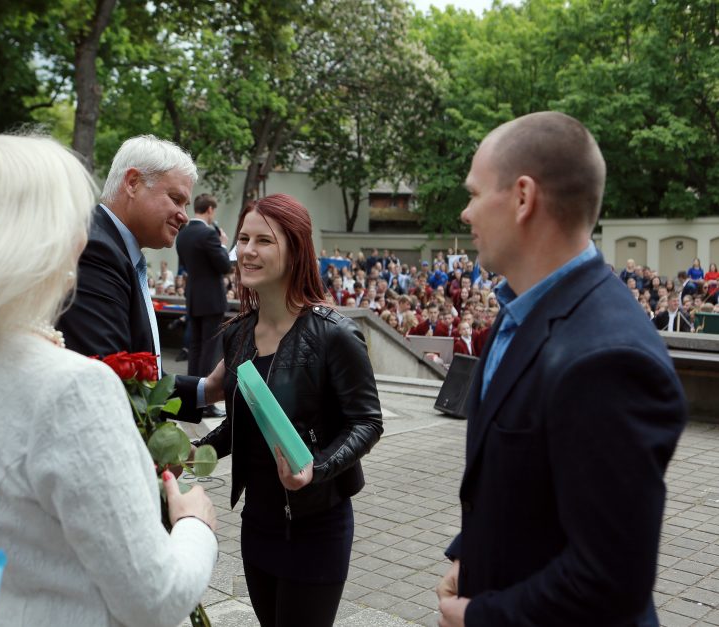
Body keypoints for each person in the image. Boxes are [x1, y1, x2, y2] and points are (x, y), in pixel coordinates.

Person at [0, 134, 218, 627]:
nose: (83, 234)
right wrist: (195, 524)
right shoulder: (73, 387)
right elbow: (154, 597)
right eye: (70, 217)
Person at [437, 112, 687, 626]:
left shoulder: (609, 359)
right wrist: (471, 556)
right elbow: (519, 480)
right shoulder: (522, 309)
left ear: (524, 198)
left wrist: (479, 617)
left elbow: (610, 580)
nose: (465, 213)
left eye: (475, 193)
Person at [193, 193, 383, 627]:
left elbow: (367, 422)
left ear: (295, 249)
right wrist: (195, 451)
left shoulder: (335, 334)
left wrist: (315, 469)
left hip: (316, 526)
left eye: (264, 240)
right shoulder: (237, 334)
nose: (248, 251)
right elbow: (242, 423)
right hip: (256, 523)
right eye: (243, 238)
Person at [57, 134, 218, 421]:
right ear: (132, 183)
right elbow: (113, 379)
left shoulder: (112, 248)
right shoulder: (96, 251)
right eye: (176, 199)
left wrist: (208, 389)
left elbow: (140, 368)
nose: (183, 215)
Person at [175, 193, 232, 385]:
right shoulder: (209, 234)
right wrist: (223, 245)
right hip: (211, 298)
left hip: (193, 296)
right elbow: (224, 266)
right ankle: (206, 398)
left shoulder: (182, 234)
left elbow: (184, 264)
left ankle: (193, 393)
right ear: (209, 209)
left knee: (196, 346)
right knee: (210, 348)